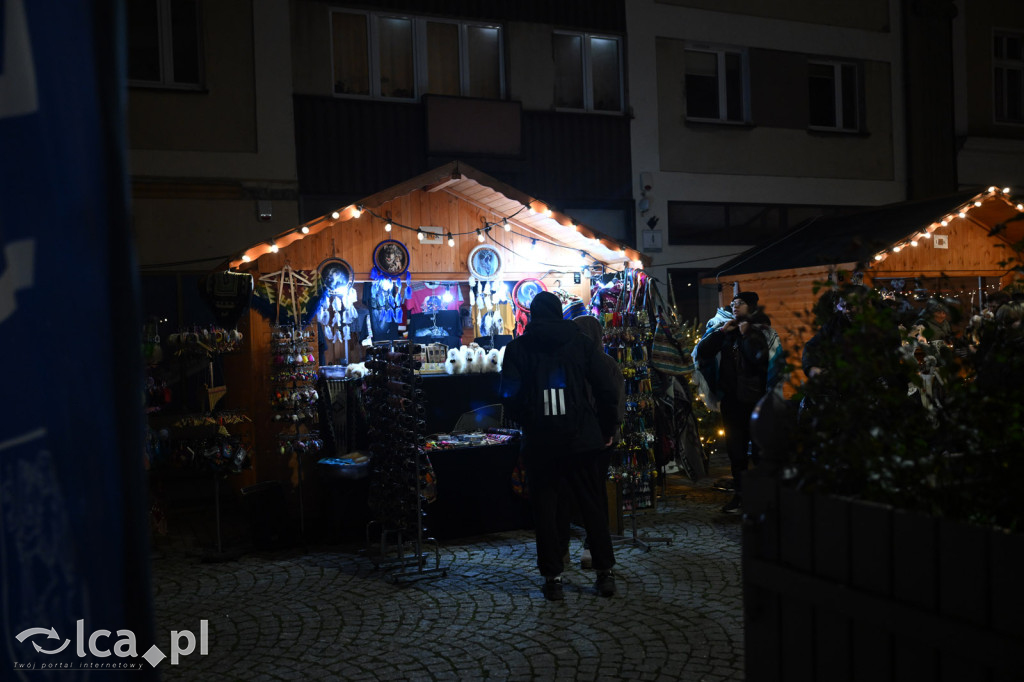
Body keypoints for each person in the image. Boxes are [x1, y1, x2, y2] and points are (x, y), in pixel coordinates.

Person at [500, 292, 621, 601]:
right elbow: (606, 389)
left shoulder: (518, 348)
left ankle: (552, 577)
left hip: (542, 442)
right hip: (581, 438)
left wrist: (529, 419)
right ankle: (604, 573)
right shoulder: (581, 344)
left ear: (532, 315)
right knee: (592, 505)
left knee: (546, 509)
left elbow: (509, 396)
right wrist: (607, 428)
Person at [694, 291, 776, 513]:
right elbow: (703, 351)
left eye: (739, 304)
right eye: (732, 303)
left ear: (751, 307)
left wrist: (747, 335)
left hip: (757, 402)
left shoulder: (763, 331)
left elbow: (759, 360)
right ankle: (740, 497)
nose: (734, 307)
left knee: (759, 453)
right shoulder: (727, 330)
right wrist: (721, 332)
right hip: (732, 401)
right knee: (736, 452)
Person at [559, 314, 626, 570]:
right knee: (591, 494)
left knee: (582, 493)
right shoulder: (600, 362)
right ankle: (587, 547)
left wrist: (608, 431)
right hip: (592, 438)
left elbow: (613, 402)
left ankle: (583, 546)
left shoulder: (603, 363)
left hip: (596, 439)